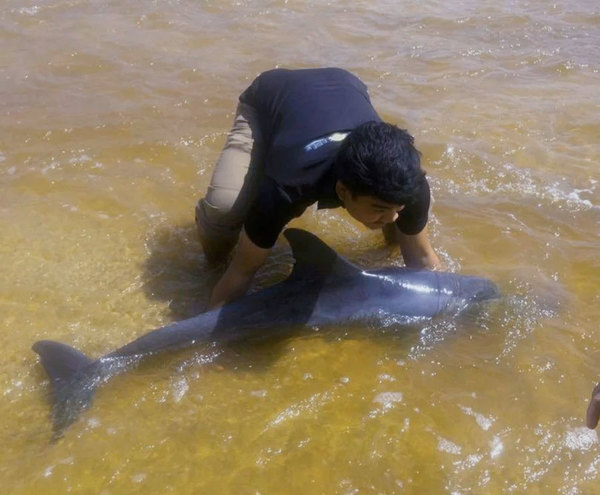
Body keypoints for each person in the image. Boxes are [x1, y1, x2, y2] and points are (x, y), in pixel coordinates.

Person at [195, 67, 442, 310]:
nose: (392, 216)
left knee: (398, 225)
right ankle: (212, 264)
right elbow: (242, 273)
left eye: (398, 208)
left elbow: (422, 261)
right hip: (269, 98)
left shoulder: (410, 184)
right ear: (342, 191)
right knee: (225, 207)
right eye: (380, 208)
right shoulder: (287, 188)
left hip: (343, 85)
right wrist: (209, 335)